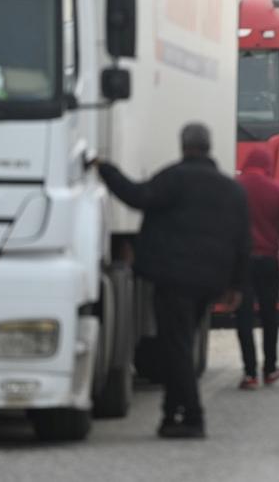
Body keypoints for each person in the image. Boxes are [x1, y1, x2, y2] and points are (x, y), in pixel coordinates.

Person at [95, 123, 249, 439]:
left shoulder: (174, 179)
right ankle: (170, 416)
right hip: (211, 282)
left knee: (176, 347)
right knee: (180, 346)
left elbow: (137, 197)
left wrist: (105, 170)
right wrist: (237, 286)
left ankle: (192, 417)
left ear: (184, 146)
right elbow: (243, 242)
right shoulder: (231, 189)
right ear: (209, 147)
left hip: (175, 278)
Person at [233, 147, 279, 390]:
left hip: (241, 262)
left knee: (243, 317)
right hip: (268, 262)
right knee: (270, 316)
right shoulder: (277, 191)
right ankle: (270, 369)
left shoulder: (234, 189)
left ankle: (249, 373)